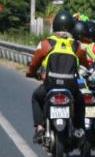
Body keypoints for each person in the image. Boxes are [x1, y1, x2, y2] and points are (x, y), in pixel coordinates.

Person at [26, 9, 82, 142]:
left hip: (50, 85)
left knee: (36, 96)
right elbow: (86, 63)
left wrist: (31, 73)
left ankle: (40, 128)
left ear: (54, 25)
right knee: (80, 101)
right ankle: (79, 128)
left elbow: (34, 64)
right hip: (70, 87)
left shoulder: (46, 44)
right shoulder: (76, 46)